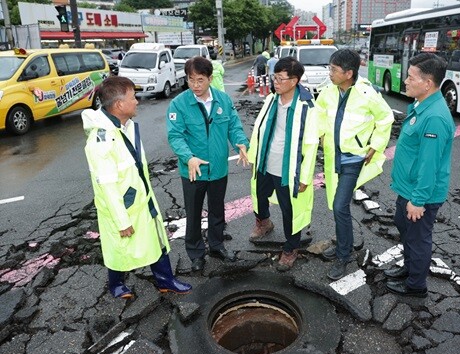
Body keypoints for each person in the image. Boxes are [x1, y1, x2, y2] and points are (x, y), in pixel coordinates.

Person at [82, 76, 192, 299]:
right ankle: (116, 284)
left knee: (156, 238)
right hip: (123, 206)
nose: (137, 101)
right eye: (133, 97)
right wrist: (122, 220)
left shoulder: (125, 126)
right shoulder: (101, 140)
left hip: (142, 198)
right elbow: (107, 185)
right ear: (119, 104)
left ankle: (165, 280)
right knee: (120, 246)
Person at [315, 49, 394, 281]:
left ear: (348, 73)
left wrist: (376, 145)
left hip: (353, 159)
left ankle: (343, 255)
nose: (329, 73)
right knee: (336, 205)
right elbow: (319, 115)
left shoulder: (367, 93)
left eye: (333, 69)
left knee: (340, 206)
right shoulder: (328, 91)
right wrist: (319, 136)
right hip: (332, 157)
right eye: (329, 68)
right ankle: (344, 245)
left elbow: (385, 118)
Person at [167, 56, 250, 272]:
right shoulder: (179, 103)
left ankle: (216, 245)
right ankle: (195, 253)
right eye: (191, 80)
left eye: (200, 80)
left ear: (210, 78)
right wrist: (188, 157)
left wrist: (241, 144)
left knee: (217, 210)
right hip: (193, 170)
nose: (195, 85)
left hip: (218, 169)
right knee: (193, 214)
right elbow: (176, 136)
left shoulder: (223, 100)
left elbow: (234, 126)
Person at [384, 53, 455, 298]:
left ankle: (416, 286)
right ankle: (409, 268)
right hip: (408, 189)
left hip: (419, 194)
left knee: (418, 239)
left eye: (410, 77)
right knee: (406, 232)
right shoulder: (420, 105)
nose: (405, 80)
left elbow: (429, 165)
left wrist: (419, 200)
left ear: (427, 84)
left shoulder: (434, 117)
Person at [247, 57, 319, 272]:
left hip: (289, 168)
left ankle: (291, 248)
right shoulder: (271, 99)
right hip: (266, 161)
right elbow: (260, 130)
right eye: (274, 77)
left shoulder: (307, 107)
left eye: (280, 78)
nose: (275, 82)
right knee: (259, 196)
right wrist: (253, 156)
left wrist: (304, 177)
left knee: (290, 210)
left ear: (294, 81)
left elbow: (311, 144)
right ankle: (264, 222)